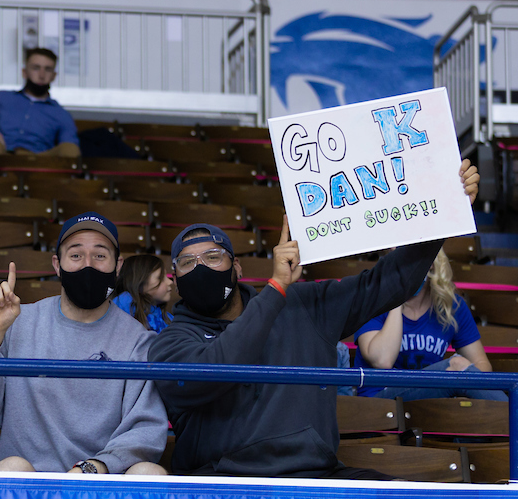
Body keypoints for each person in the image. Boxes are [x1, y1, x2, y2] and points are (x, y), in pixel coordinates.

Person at [148, 160, 481, 479]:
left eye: (213, 257)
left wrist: (443, 212)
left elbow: (389, 283)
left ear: (237, 268)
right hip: (224, 486)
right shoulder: (168, 344)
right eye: (188, 263)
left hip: (316, 476)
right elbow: (217, 369)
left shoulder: (303, 305)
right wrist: (275, 288)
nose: (201, 268)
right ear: (174, 279)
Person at [0, 212, 169, 474]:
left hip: (101, 483)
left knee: (151, 474)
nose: (88, 265)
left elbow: (146, 430)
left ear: (117, 266)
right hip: (26, 484)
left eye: (100, 255)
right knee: (12, 467)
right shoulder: (17, 322)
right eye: (75, 255)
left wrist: (93, 467)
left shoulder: (138, 340)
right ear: (57, 264)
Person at [353, 249, 507, 402]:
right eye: (395, 260)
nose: (402, 266)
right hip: (380, 403)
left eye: (408, 259)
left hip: (429, 403)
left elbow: (482, 365)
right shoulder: (372, 301)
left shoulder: (450, 306)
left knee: (460, 371)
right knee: (456, 365)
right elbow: (382, 361)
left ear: (431, 264)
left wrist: (464, 384)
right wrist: (396, 299)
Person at [0, 48, 80, 157]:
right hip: (2, 155)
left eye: (47, 69)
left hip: (40, 161)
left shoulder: (60, 113)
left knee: (70, 148)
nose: (42, 75)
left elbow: (71, 147)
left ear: (54, 76)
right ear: (24, 72)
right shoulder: (1, 98)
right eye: (36, 68)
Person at [115, 253, 174, 333]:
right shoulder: (123, 306)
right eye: (161, 277)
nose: (170, 282)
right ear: (139, 282)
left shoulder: (167, 317)